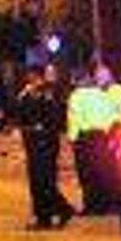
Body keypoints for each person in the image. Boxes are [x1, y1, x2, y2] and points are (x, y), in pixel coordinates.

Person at [66, 62, 121, 215]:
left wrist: (73, 139)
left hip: (86, 138)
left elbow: (74, 118)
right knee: (105, 173)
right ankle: (108, 204)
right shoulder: (103, 95)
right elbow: (114, 116)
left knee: (88, 175)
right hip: (103, 137)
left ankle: (94, 206)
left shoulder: (77, 95)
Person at [15, 69, 73, 230]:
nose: (30, 79)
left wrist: (43, 127)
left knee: (44, 181)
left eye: (33, 77)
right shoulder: (26, 95)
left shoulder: (49, 94)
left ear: (39, 77)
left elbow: (56, 116)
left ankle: (55, 212)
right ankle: (49, 215)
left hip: (46, 143)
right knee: (36, 181)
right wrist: (23, 98)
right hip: (32, 142)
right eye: (29, 77)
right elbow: (20, 115)